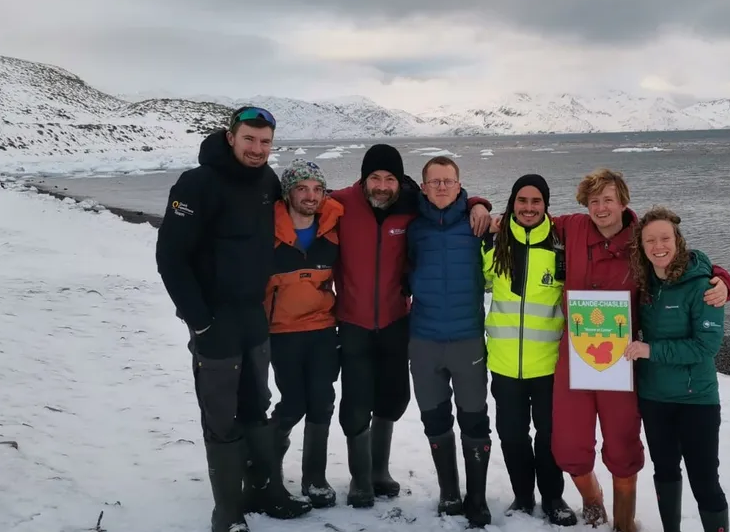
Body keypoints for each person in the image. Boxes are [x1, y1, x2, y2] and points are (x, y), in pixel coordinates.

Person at [543, 168, 730, 532]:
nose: (601, 208)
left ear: (623, 201)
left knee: (623, 448)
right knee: (568, 447)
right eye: (594, 201)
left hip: (625, 358)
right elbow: (530, 218)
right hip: (576, 356)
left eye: (609, 199)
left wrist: (724, 280)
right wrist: (482, 209)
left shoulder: (641, 239)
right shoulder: (571, 227)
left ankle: (625, 522)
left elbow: (687, 263)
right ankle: (592, 498)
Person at [156, 107, 311, 532]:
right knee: (222, 415)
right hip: (214, 319)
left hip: (253, 315)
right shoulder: (196, 184)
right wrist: (200, 321)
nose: (258, 149)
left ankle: (267, 491)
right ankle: (227, 509)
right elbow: (170, 257)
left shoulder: (266, 182)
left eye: (265, 142)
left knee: (257, 406)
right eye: (250, 140)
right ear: (231, 137)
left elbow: (304, 209)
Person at [327, 145, 492, 509]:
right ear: (363, 178)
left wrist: (480, 203)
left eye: (389, 178)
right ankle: (360, 479)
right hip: (354, 320)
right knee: (356, 403)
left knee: (395, 399)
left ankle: (381, 472)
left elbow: (454, 199)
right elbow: (300, 203)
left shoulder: (410, 205)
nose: (383, 186)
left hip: (396, 320)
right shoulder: (340, 203)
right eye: (375, 178)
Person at [624, 207, 730, 532]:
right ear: (641, 246)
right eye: (650, 240)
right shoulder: (644, 284)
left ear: (678, 240)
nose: (659, 246)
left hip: (696, 399)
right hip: (655, 398)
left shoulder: (704, 285)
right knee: (665, 471)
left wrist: (650, 350)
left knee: (704, 479)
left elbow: (706, 346)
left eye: (665, 238)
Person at [482, 174, 578, 526]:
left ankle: (553, 497)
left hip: (549, 363)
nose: (528, 208)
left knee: (550, 436)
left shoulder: (559, 245)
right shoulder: (494, 241)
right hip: (505, 363)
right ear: (512, 203)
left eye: (536, 201)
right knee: (511, 435)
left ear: (545, 205)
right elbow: (477, 278)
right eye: (522, 201)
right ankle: (523, 496)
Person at [405, 156, 492, 528]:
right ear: (422, 187)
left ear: (460, 185)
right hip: (423, 342)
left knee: (474, 421)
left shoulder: (480, 227)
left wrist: (483, 206)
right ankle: (449, 491)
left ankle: (477, 497)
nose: (441, 187)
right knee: (435, 420)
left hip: (467, 340)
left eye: (448, 181)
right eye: (434, 181)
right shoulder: (411, 228)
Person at [263, 159, 343, 508]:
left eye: (317, 189)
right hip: (283, 332)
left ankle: (315, 477)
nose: (310, 196)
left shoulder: (333, 229)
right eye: (302, 188)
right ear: (289, 192)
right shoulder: (269, 232)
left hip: (324, 329)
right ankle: (265, 469)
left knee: (322, 400)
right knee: (293, 401)